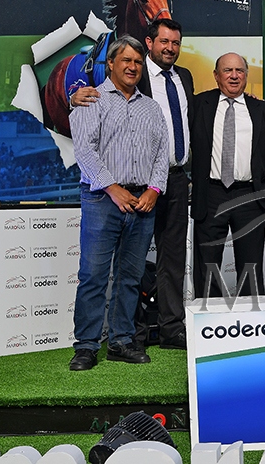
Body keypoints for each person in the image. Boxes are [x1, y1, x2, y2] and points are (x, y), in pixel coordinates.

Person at [72, 19, 192, 351]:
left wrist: (154, 189)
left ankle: (123, 341)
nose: (133, 66)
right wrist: (113, 188)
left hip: (147, 197)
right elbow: (84, 150)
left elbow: (161, 152)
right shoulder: (91, 99)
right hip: (103, 198)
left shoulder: (153, 105)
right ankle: (86, 345)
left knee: (131, 276)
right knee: (94, 275)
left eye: (137, 62)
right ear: (110, 63)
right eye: (126, 60)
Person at [191, 53, 265, 296]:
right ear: (216, 75)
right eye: (227, 70)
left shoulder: (263, 110)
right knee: (206, 267)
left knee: (250, 269)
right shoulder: (199, 104)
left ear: (246, 75)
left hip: (250, 196)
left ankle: (250, 317)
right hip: (210, 195)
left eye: (239, 71)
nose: (234, 76)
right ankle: (208, 315)